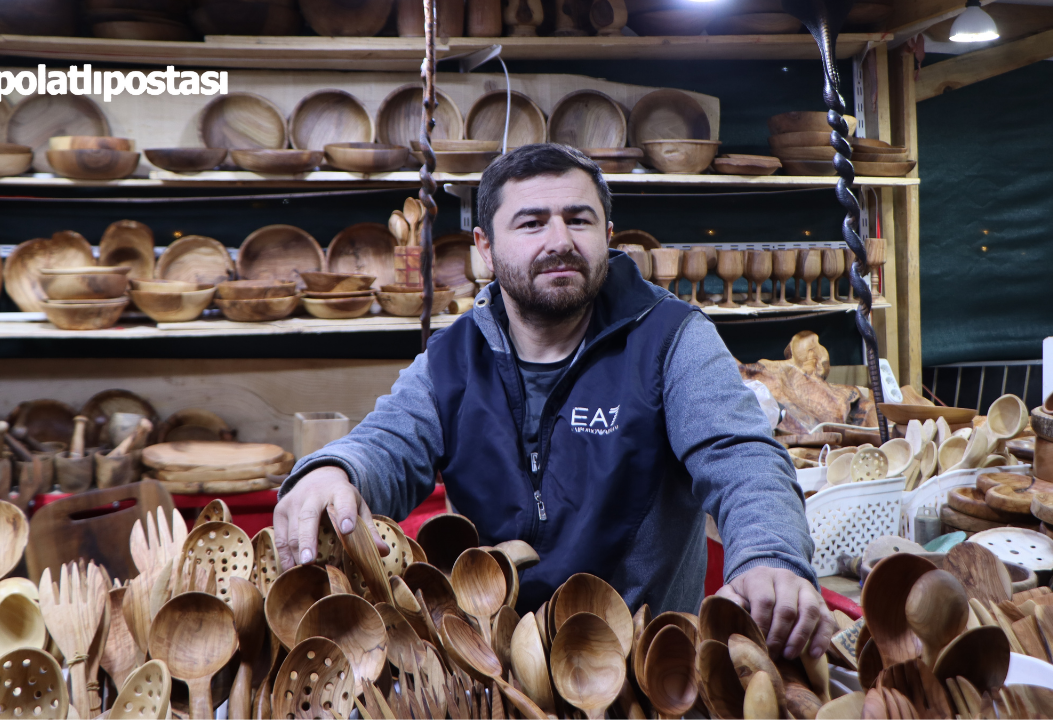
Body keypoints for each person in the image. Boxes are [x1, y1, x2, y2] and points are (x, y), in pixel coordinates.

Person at [274, 143, 833, 661]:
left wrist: (770, 557)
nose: (560, 239)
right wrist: (332, 468)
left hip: (647, 670)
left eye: (579, 219)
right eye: (532, 222)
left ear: (606, 235)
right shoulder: (455, 357)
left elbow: (741, 456)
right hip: (493, 662)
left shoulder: (670, 337)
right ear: (486, 249)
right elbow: (388, 443)